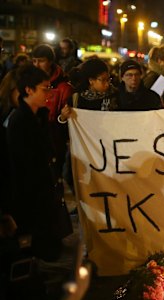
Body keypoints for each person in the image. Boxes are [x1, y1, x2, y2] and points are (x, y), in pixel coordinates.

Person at [6, 64, 72, 261]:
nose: (50, 93)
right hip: (31, 202)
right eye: (45, 88)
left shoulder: (40, 117)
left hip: (45, 198)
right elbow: (20, 167)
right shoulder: (18, 121)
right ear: (29, 90)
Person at [31, 44, 73, 177]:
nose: (37, 65)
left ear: (50, 62)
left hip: (54, 142)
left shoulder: (63, 87)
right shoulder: (28, 82)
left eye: (41, 61)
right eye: (34, 61)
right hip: (32, 140)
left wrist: (62, 118)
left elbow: (66, 120)